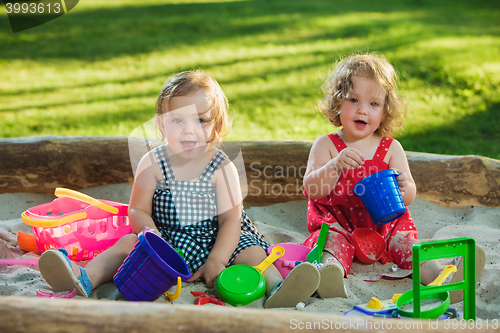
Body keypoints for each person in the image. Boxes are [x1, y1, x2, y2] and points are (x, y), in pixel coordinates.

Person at [38, 70, 320, 308]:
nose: (189, 130)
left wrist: (217, 260)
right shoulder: (153, 163)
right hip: (169, 241)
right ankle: (85, 277)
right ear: (161, 124)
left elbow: (231, 220)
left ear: (216, 125)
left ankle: (279, 288)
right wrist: (152, 237)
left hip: (219, 239)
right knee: (126, 245)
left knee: (253, 254)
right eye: (178, 120)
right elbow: (137, 209)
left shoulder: (222, 167)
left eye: (200, 120)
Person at [301, 53, 484, 301]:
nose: (363, 110)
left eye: (373, 104)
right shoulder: (327, 145)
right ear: (337, 102)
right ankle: (327, 276)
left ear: (386, 109)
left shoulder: (391, 148)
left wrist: (403, 184)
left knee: (407, 246)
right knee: (330, 244)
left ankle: (442, 278)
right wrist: (334, 166)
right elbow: (312, 189)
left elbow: (409, 195)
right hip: (340, 224)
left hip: (385, 228)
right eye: (353, 100)